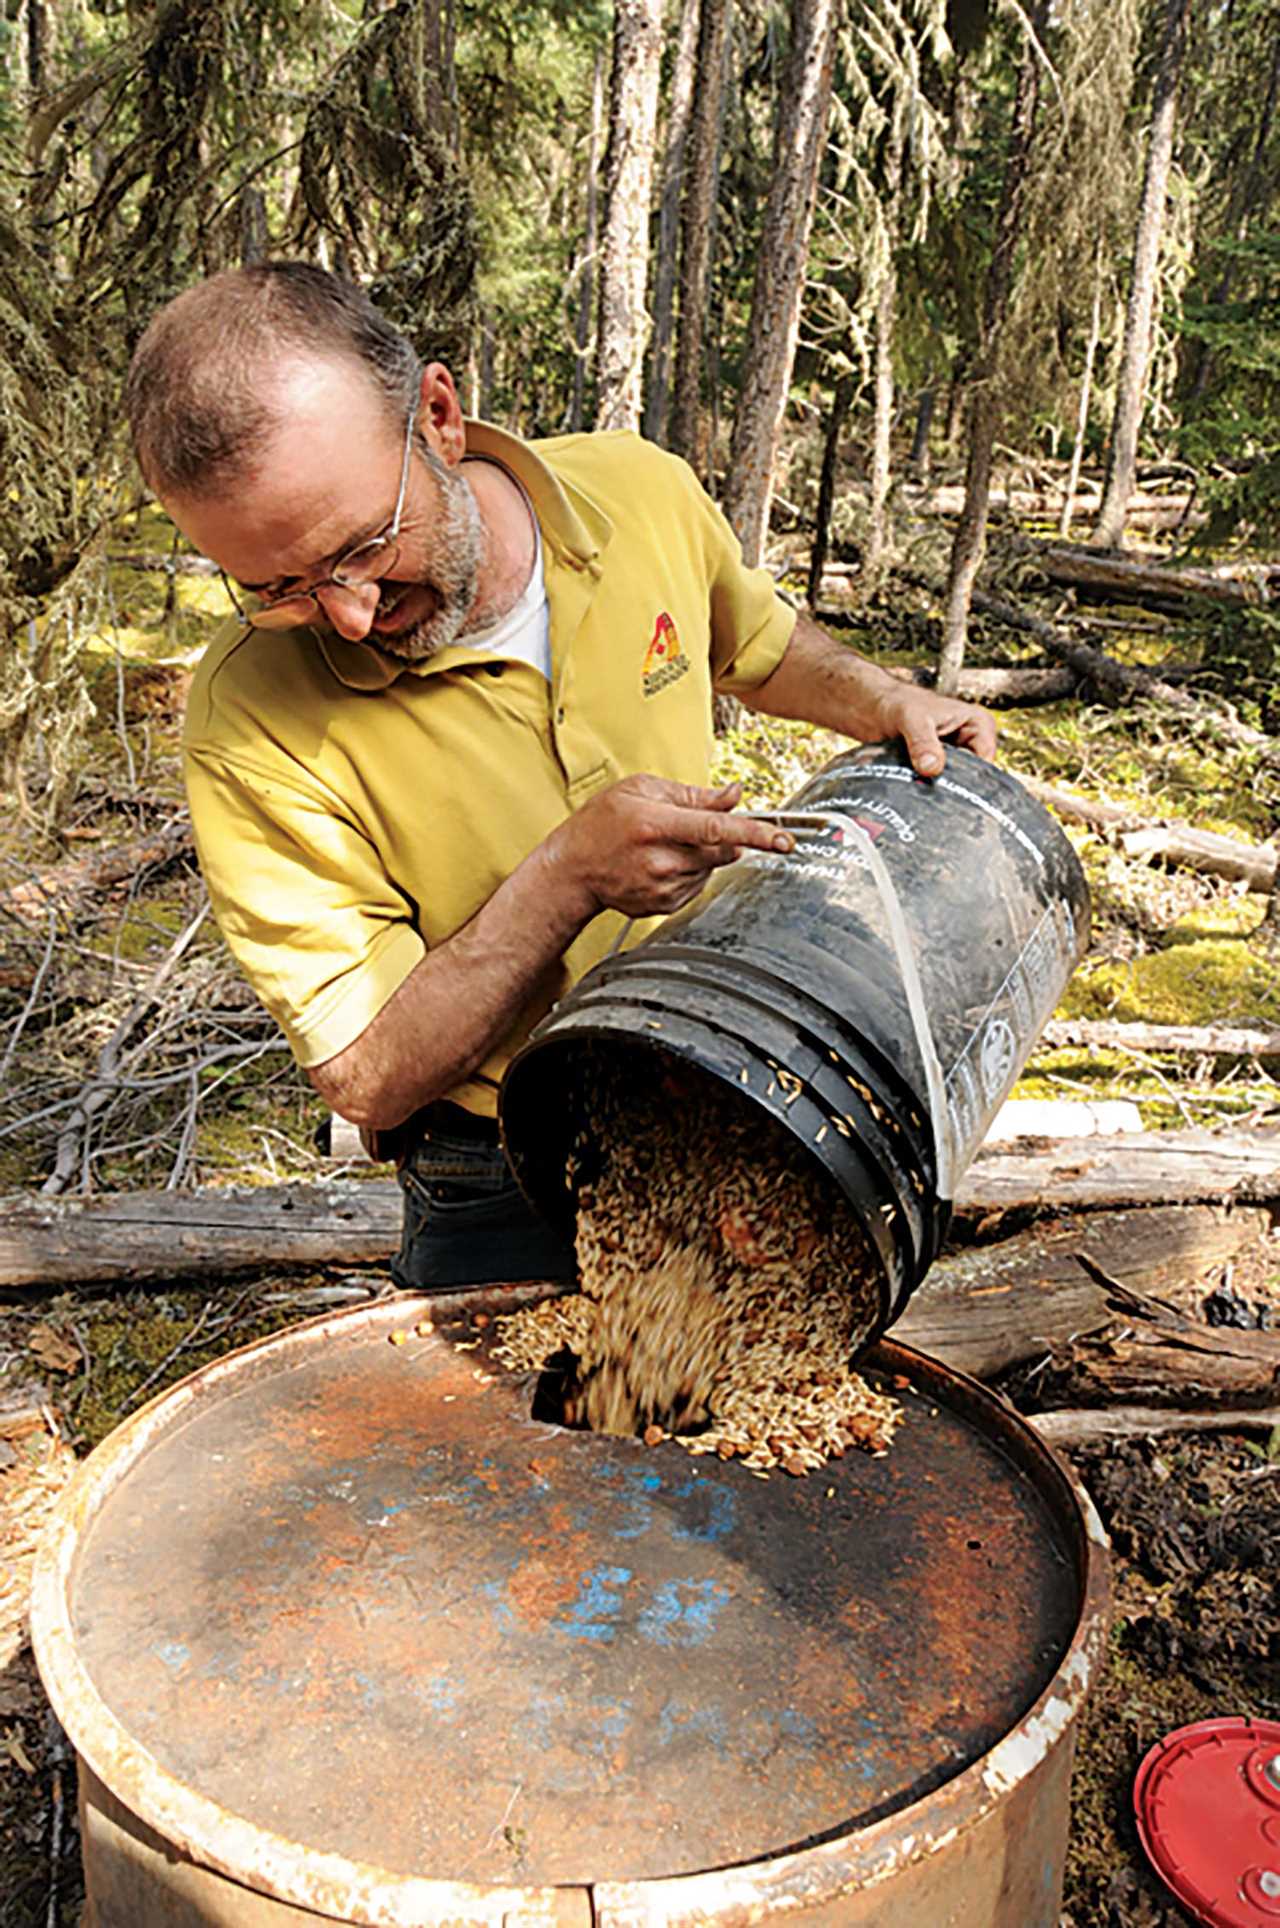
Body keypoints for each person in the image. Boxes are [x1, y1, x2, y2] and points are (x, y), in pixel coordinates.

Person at [125, 261, 996, 1289]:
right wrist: (565, 878)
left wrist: (877, 697)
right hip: (497, 1163)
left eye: (361, 547)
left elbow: (754, 644)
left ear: (438, 416)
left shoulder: (635, 492)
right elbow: (364, 1071)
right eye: (277, 587)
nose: (350, 615)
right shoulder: (248, 716)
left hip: (742, 1096)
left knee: (758, 1429)